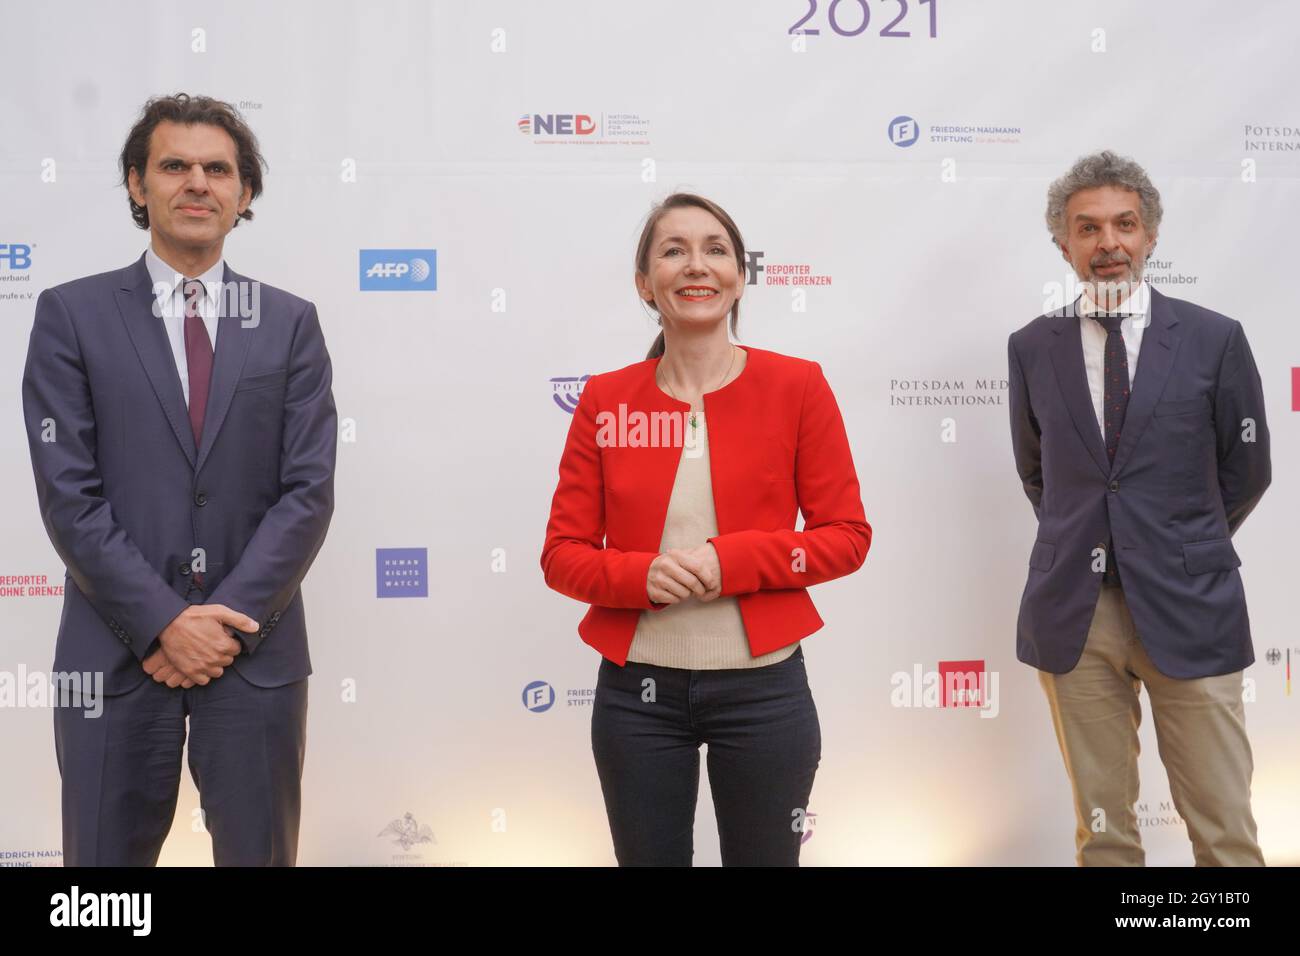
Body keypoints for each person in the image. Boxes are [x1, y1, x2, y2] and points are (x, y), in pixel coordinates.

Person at [21, 93, 337, 866]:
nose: (197, 182)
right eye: (174, 166)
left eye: (218, 169)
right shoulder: (72, 315)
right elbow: (70, 496)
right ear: (138, 185)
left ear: (244, 194)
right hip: (113, 652)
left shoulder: (291, 322)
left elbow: (307, 492)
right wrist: (166, 621)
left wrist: (219, 623)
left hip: (252, 659)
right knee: (103, 890)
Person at [541, 192, 871, 865]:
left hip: (765, 691)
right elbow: (562, 556)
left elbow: (846, 537)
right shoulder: (605, 399)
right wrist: (640, 575)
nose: (697, 265)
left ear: (740, 275)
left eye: (715, 249)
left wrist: (735, 561)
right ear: (645, 284)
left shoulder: (798, 386)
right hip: (638, 696)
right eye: (674, 250)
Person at [1007, 150, 1270, 866]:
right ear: (1064, 245)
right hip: (1075, 615)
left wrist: (1175, 544)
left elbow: (1246, 470)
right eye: (1087, 229)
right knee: (1105, 834)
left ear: (1151, 236)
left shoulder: (1215, 339)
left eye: (1124, 225)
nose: (1108, 244)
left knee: (1223, 827)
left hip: (1191, 603)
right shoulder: (1032, 347)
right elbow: (1040, 474)